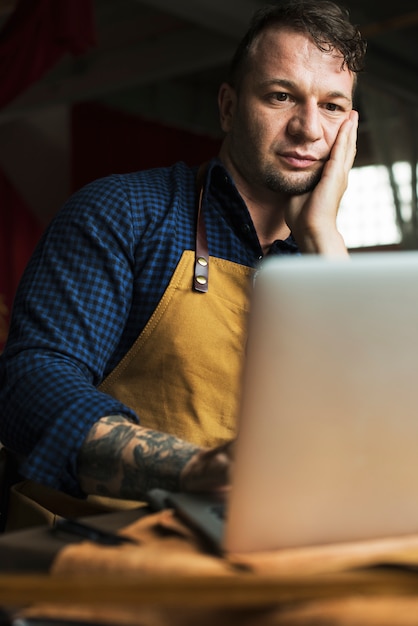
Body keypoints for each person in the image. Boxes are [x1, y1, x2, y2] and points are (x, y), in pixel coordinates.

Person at [0, 0, 366, 516]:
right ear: (228, 107)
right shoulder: (125, 213)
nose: (308, 128)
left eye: (331, 106)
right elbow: (32, 383)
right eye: (281, 96)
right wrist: (194, 471)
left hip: (252, 550)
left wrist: (324, 238)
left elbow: (373, 430)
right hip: (101, 547)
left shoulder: (329, 262)